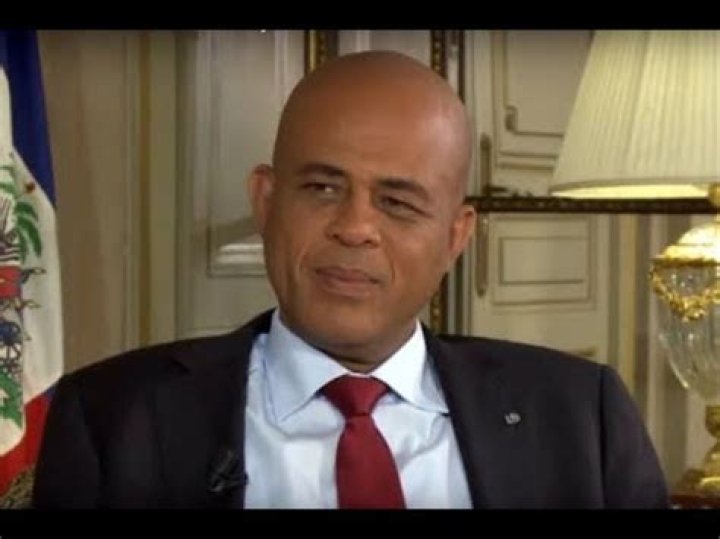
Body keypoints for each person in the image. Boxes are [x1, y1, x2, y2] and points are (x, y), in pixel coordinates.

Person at [32, 50, 668, 509]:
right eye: (322, 188)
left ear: (455, 236)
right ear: (266, 202)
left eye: (398, 203)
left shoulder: (583, 417)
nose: (356, 227)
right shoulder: (111, 420)